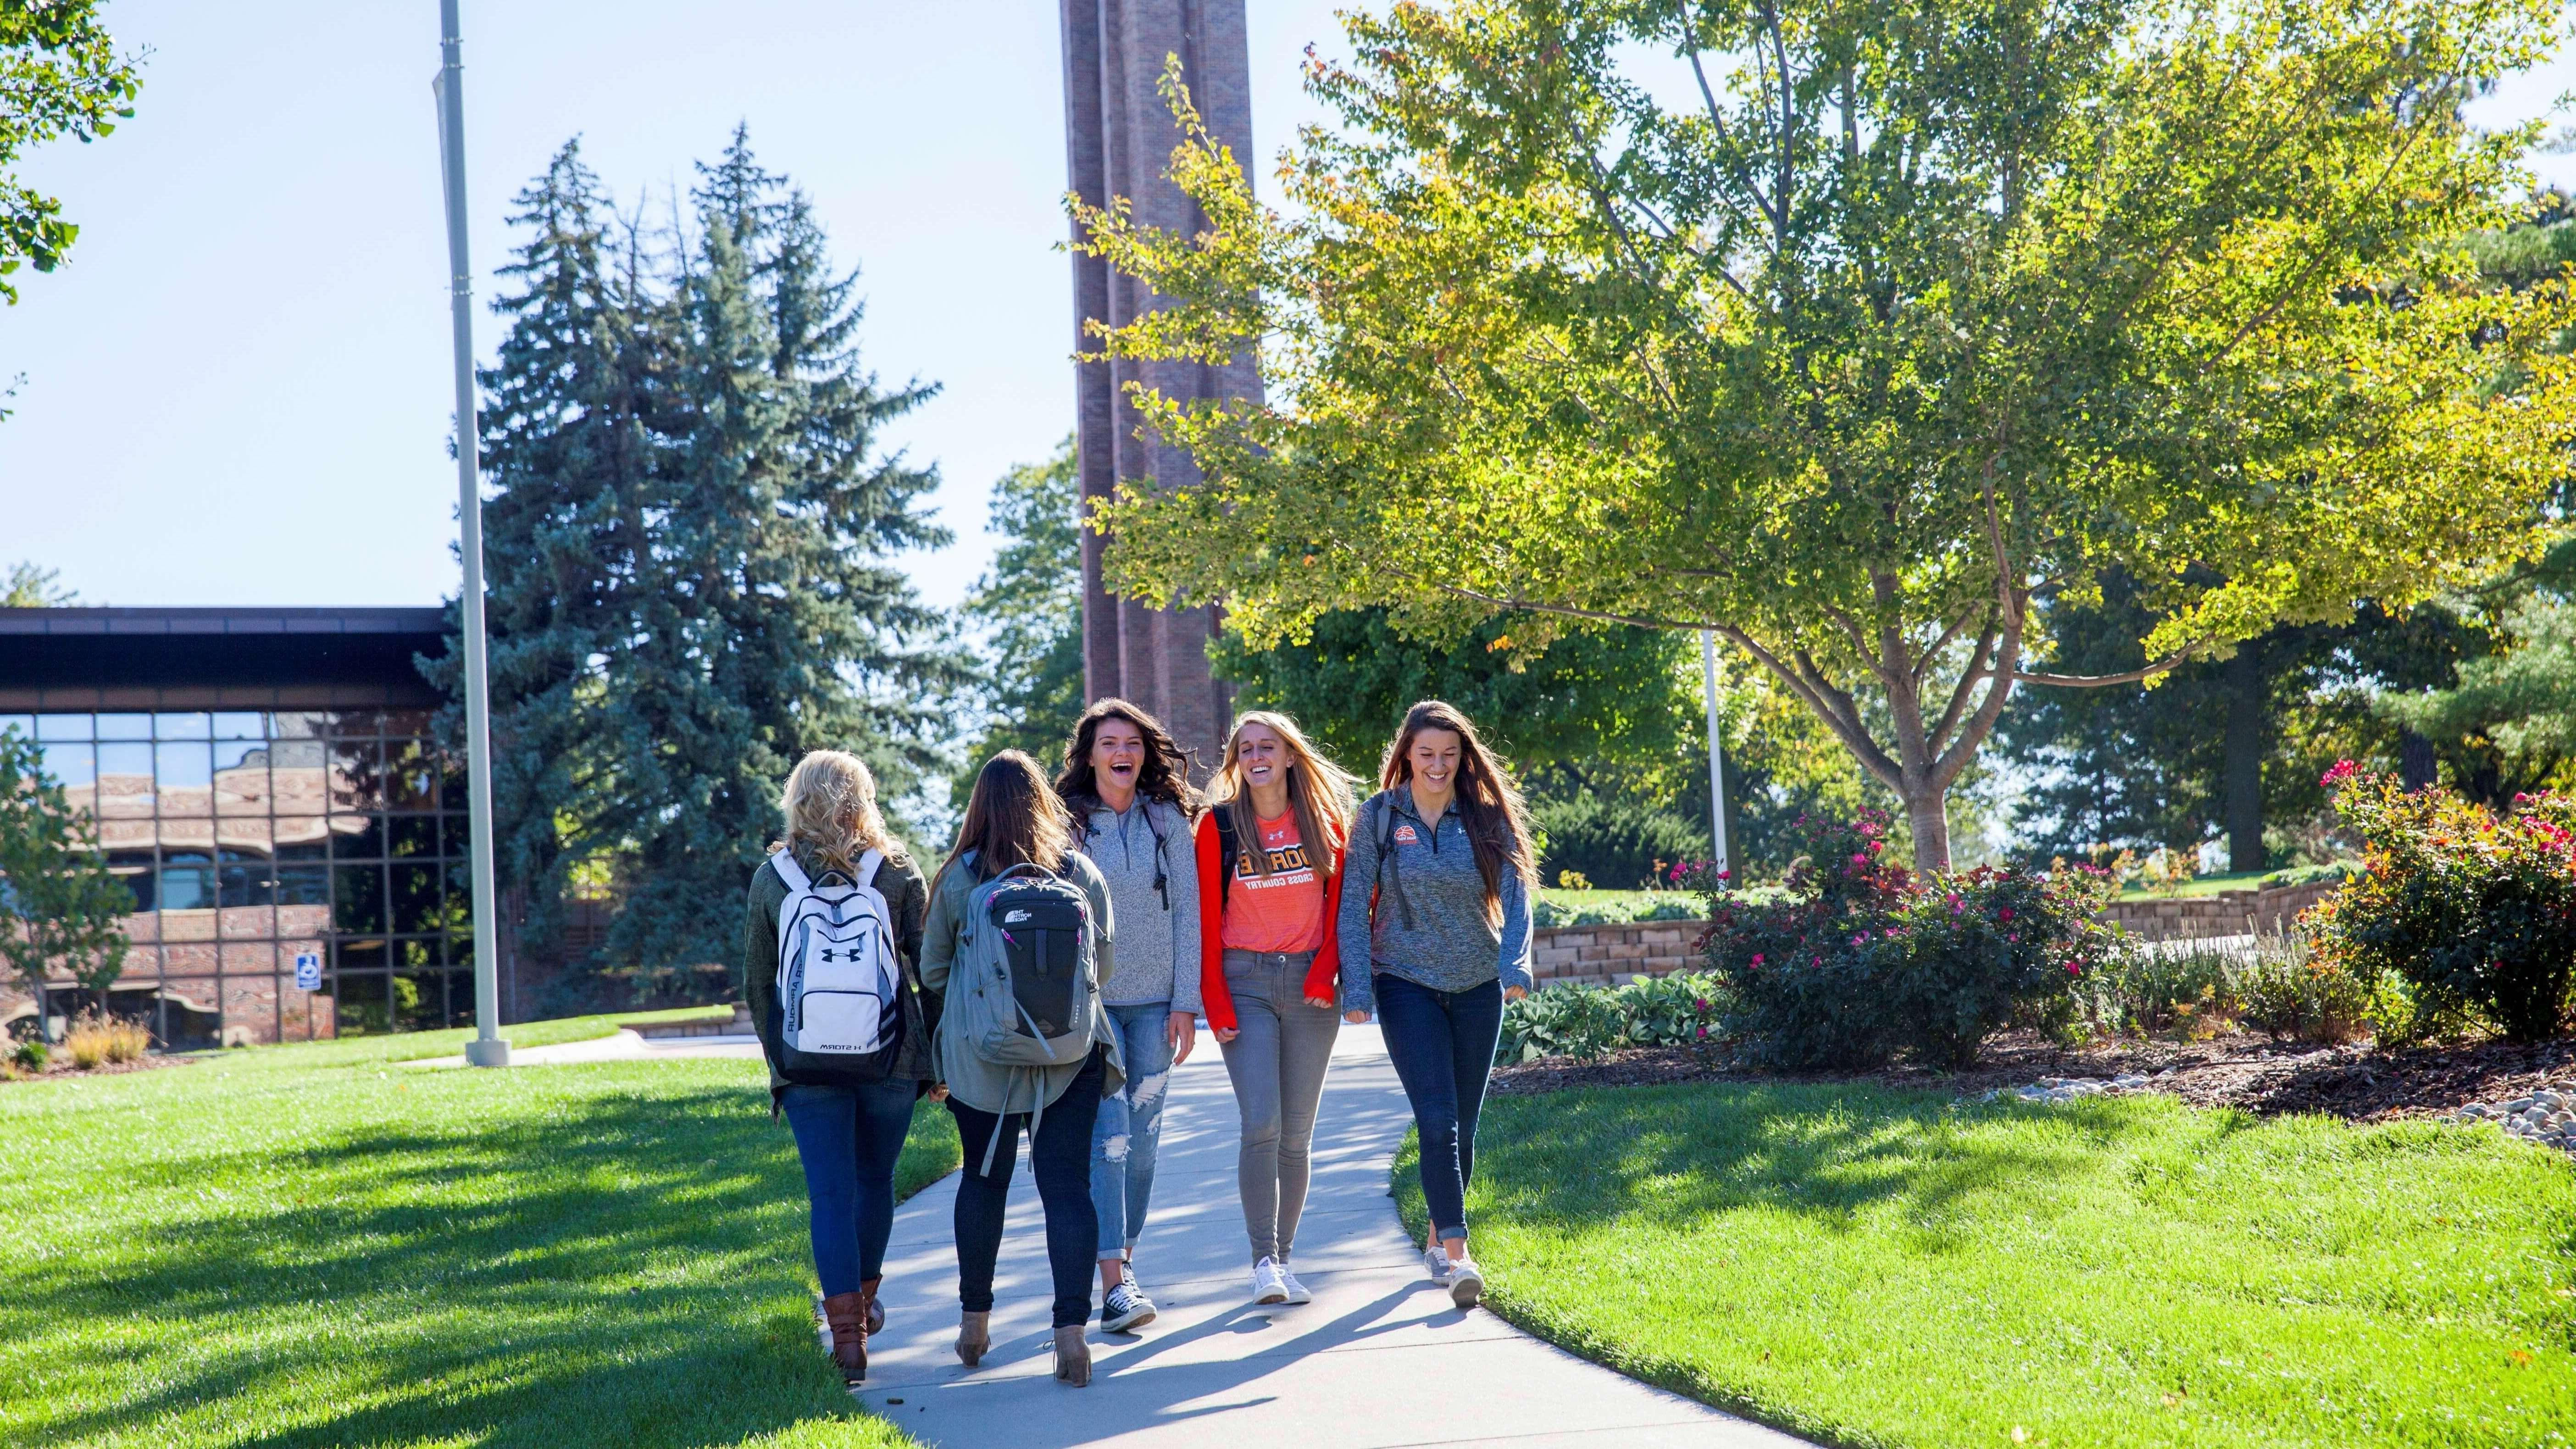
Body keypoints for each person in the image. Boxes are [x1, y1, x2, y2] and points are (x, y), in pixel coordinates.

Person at [922, 750, 1124, 1386]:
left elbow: (930, 972)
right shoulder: (1080, 871)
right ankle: (1070, 1337)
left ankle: (975, 1324)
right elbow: (1106, 967)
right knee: (1067, 1187)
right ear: (1044, 800)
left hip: (983, 1062)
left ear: (978, 806)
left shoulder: (959, 878)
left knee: (984, 1183)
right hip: (1071, 1055)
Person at [742, 750, 935, 1384]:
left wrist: (782, 1064)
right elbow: (928, 972)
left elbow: (759, 986)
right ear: (864, 800)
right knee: (874, 1180)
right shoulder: (897, 871)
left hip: (807, 1065)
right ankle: (866, 1301)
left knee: (830, 1194)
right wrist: (933, 1060)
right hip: (891, 1058)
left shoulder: (772, 879)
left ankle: (848, 1342)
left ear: (797, 800)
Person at [1335, 701, 1535, 1310]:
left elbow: (1517, 893)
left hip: (1476, 984)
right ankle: (1458, 1255)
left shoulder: (1486, 817)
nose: (1438, 765)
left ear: (1463, 757)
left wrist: (1515, 962)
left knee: (1465, 1126)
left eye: (1450, 754)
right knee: (1438, 1118)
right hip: (1405, 982)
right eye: (1426, 753)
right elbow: (1351, 903)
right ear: (1406, 755)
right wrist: (1359, 988)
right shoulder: (1378, 816)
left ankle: (1433, 1240)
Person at [1194, 710, 1359, 1307]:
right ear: (1236, 761)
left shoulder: (1325, 824)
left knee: (1297, 1136)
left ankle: (1286, 1260)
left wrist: (1324, 971)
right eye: (1246, 749)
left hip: (1313, 988)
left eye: (1268, 747)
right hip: (1245, 985)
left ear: (1290, 755)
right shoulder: (1217, 828)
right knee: (1260, 1122)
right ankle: (1262, 1260)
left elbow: (1345, 909)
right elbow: (1207, 924)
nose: (1257, 757)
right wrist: (1215, 1002)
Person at [1055, 699, 1202, 1334]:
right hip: (1094, 1009)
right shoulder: (1066, 826)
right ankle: (1114, 1280)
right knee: (1110, 1140)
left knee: (1143, 1146)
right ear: (1090, 755)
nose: (1123, 752)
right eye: (1110, 742)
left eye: (1134, 743)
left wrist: (1185, 1003)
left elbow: (1190, 916)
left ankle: (1124, 1263)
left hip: (1156, 1007)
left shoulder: (1167, 820)